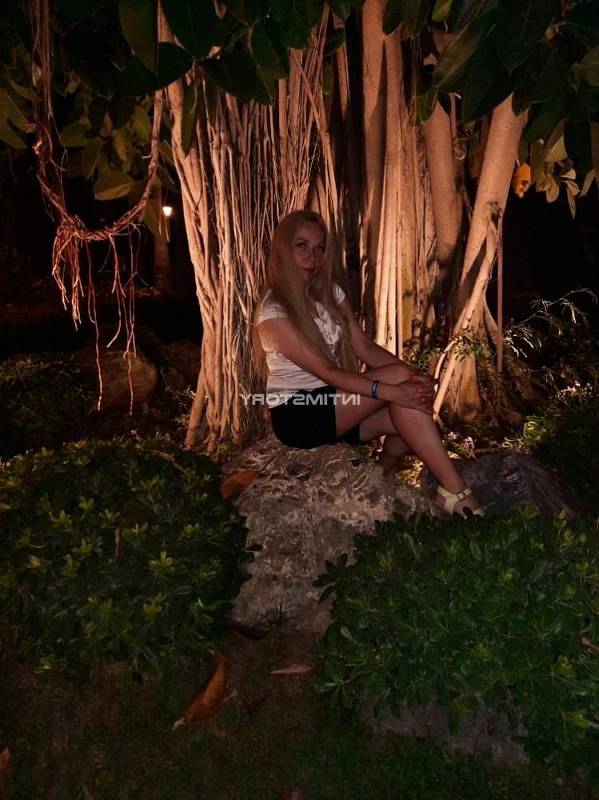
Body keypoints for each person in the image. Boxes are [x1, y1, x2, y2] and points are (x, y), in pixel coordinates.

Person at [253, 210, 483, 516]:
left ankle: (383, 475)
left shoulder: (330, 295)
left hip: (337, 405)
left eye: (319, 248)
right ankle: (457, 492)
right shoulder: (274, 312)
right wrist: (394, 387)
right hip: (299, 413)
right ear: (284, 249)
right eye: (301, 245)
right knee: (401, 387)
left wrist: (414, 380)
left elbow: (364, 348)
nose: (312, 256)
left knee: (408, 409)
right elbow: (328, 373)